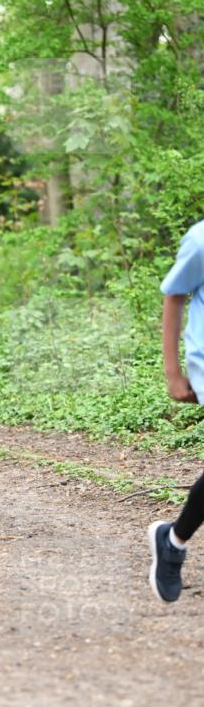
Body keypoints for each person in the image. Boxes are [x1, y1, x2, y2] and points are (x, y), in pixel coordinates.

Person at [148, 219, 204, 602]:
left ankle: (172, 538)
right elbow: (174, 296)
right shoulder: (201, 240)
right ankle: (174, 540)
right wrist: (172, 372)